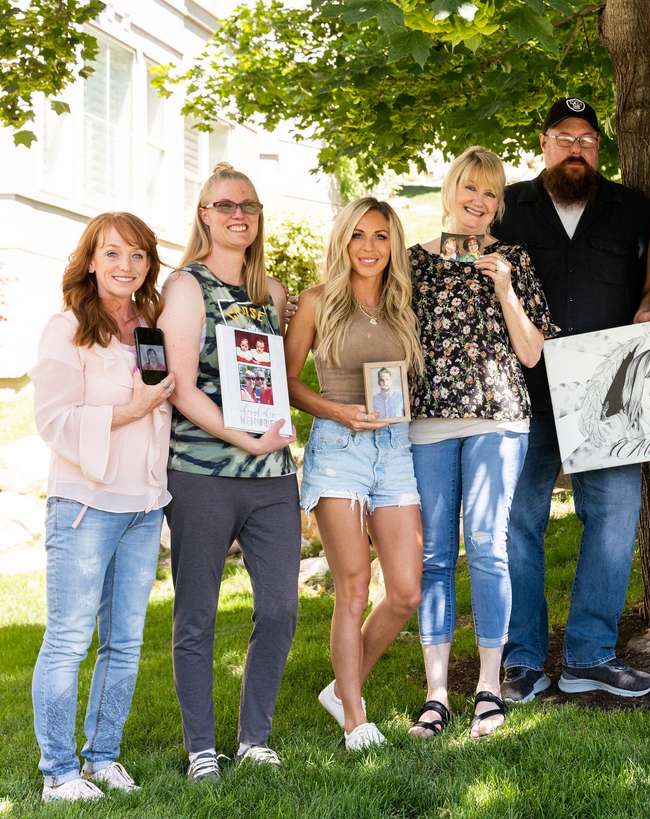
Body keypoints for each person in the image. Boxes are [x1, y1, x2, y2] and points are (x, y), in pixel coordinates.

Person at [494, 97, 650, 702]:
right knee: (517, 523)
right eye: (564, 138)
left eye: (587, 140)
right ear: (543, 143)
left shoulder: (632, 209)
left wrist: (649, 308)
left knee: (614, 520)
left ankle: (590, 655)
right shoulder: (506, 207)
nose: (576, 149)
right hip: (521, 391)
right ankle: (522, 659)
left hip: (607, 395)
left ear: (598, 148)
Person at [408, 146, 558, 738]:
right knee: (436, 554)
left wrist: (504, 290)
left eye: (490, 194)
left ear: (499, 204)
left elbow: (531, 352)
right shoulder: (412, 262)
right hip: (428, 420)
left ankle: (490, 686)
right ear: (450, 191)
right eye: (469, 189)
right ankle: (437, 693)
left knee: (489, 544)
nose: (478, 202)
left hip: (499, 417)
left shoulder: (513, 260)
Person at [158, 163, 299, 781]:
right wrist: (245, 439)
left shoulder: (272, 293)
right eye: (224, 205)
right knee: (198, 614)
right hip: (202, 472)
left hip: (272, 477)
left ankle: (255, 739)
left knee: (279, 609)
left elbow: (276, 381)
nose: (238, 213)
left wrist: (269, 440)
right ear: (204, 215)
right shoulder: (186, 287)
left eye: (248, 204)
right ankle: (202, 750)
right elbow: (181, 389)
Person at [30, 213, 174, 802]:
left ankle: (103, 757)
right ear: (91, 259)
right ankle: (58, 772)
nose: (125, 266)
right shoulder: (65, 329)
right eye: (113, 254)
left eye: (138, 256)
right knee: (68, 639)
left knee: (126, 640)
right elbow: (53, 421)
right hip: (86, 506)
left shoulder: (149, 326)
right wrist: (130, 411)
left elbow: (164, 402)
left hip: (143, 505)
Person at [285, 197, 426, 751]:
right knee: (353, 587)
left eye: (382, 237)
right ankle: (354, 720)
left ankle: (343, 688)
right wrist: (337, 410)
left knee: (406, 592)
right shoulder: (318, 303)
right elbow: (290, 381)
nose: (370, 248)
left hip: (394, 449)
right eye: (359, 236)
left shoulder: (402, 306)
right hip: (339, 448)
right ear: (343, 241)